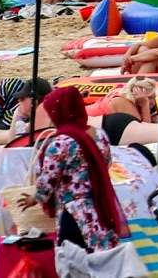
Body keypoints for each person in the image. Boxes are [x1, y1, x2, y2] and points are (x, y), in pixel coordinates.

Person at [31, 86, 128, 259]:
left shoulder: (60, 144)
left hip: (74, 214)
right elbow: (106, 163)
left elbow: (48, 180)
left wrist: (35, 198)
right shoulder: (99, 135)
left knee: (75, 262)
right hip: (100, 206)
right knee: (103, 259)